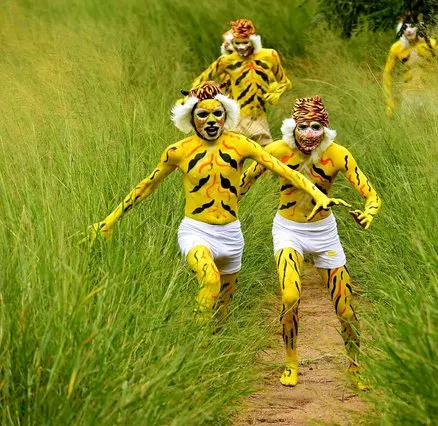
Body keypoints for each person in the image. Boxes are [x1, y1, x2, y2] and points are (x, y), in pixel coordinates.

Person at [88, 82, 348, 324]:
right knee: (209, 281)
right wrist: (110, 220)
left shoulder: (240, 144)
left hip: (231, 235)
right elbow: (147, 185)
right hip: (196, 230)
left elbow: (284, 170)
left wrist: (318, 194)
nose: (211, 121)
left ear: (226, 116)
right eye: (203, 115)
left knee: (222, 311)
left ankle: (210, 346)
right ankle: (194, 348)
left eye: (217, 114)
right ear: (191, 118)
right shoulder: (177, 151)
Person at [239, 96, 381, 388]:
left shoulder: (338, 154)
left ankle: (355, 367)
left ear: (325, 130)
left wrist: (369, 213)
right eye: (302, 126)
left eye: (316, 127)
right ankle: (291, 362)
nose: (308, 134)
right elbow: (244, 182)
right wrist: (224, 211)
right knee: (290, 297)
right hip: (288, 230)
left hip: (324, 232)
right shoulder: (277, 151)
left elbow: (372, 194)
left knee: (345, 308)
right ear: (292, 128)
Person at [191, 19, 292, 146]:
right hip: (237, 119)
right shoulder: (226, 61)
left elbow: (285, 82)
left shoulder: (269, 56)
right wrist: (203, 98)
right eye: (237, 43)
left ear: (254, 41)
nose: (241, 47)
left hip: (259, 118)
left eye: (245, 43)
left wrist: (277, 93)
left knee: (267, 158)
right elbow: (199, 81)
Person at [383, 12, 438, 117]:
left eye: (412, 26)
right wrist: (389, 102)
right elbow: (387, 74)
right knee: (409, 130)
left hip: (430, 93)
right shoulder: (397, 48)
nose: (409, 31)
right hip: (408, 95)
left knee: (435, 128)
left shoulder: (431, 44)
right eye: (405, 27)